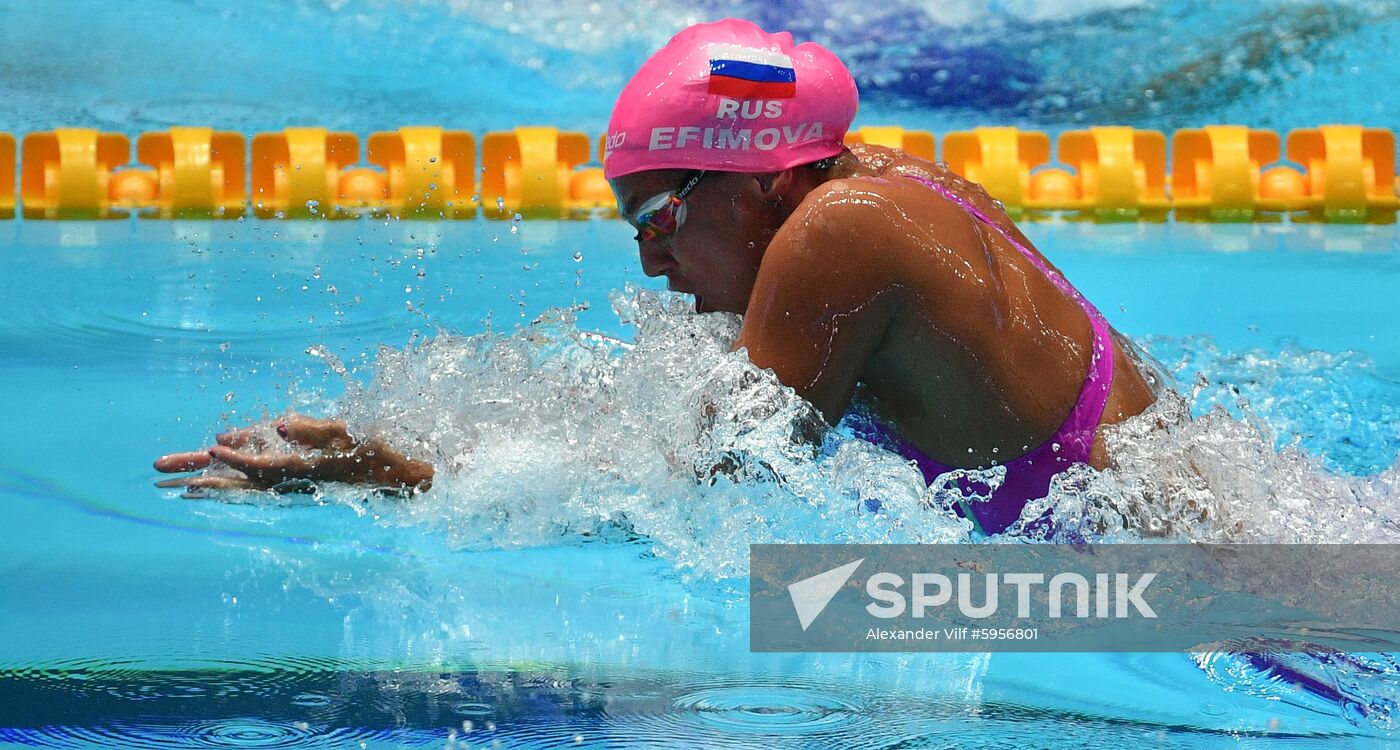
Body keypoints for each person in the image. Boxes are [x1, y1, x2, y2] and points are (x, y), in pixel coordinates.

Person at [156, 19, 1157, 535]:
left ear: (761, 184)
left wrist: (398, 473)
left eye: (661, 214)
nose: (648, 256)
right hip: (1189, 523)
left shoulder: (838, 235)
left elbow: (694, 502)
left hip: (1188, 583)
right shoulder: (879, 180)